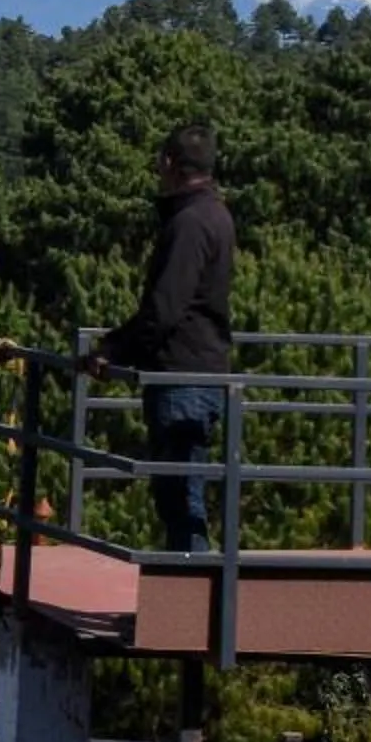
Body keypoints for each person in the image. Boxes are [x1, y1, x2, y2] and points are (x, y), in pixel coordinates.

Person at [86, 123, 236, 553]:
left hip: (183, 375)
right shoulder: (215, 215)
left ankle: (192, 601)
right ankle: (192, 596)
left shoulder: (189, 224)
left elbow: (165, 309)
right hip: (200, 369)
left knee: (180, 497)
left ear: (168, 163)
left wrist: (113, 349)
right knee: (182, 492)